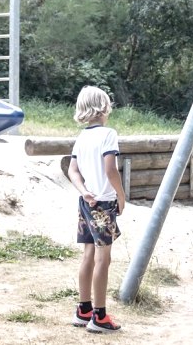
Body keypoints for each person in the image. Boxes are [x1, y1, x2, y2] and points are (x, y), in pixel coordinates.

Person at [67, 85, 125, 333]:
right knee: (104, 258)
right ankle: (100, 316)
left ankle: (84, 309)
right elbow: (110, 169)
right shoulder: (108, 134)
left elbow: (72, 170)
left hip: (86, 202)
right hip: (104, 203)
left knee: (88, 254)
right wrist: (121, 197)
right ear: (104, 107)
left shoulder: (82, 137)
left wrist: (83, 191)